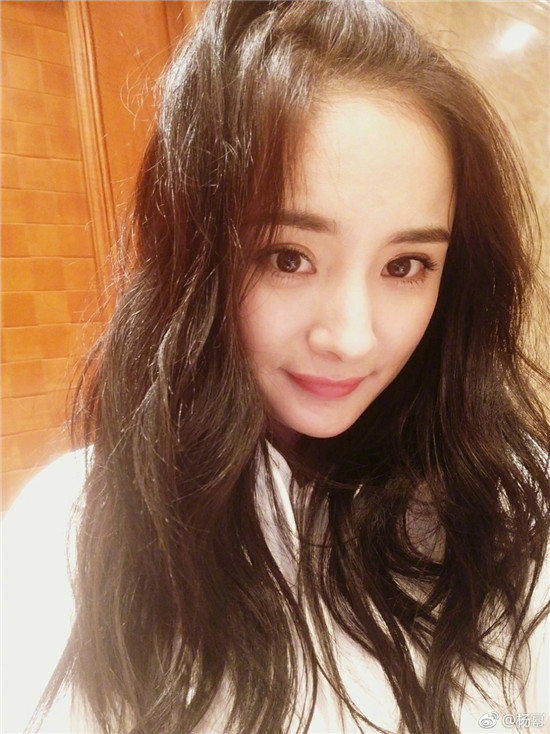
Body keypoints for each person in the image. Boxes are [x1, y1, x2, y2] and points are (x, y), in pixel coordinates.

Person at [3, 1, 549, 732]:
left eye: (406, 265)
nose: (351, 337)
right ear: (195, 256)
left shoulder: (509, 505)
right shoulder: (76, 527)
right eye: (288, 257)